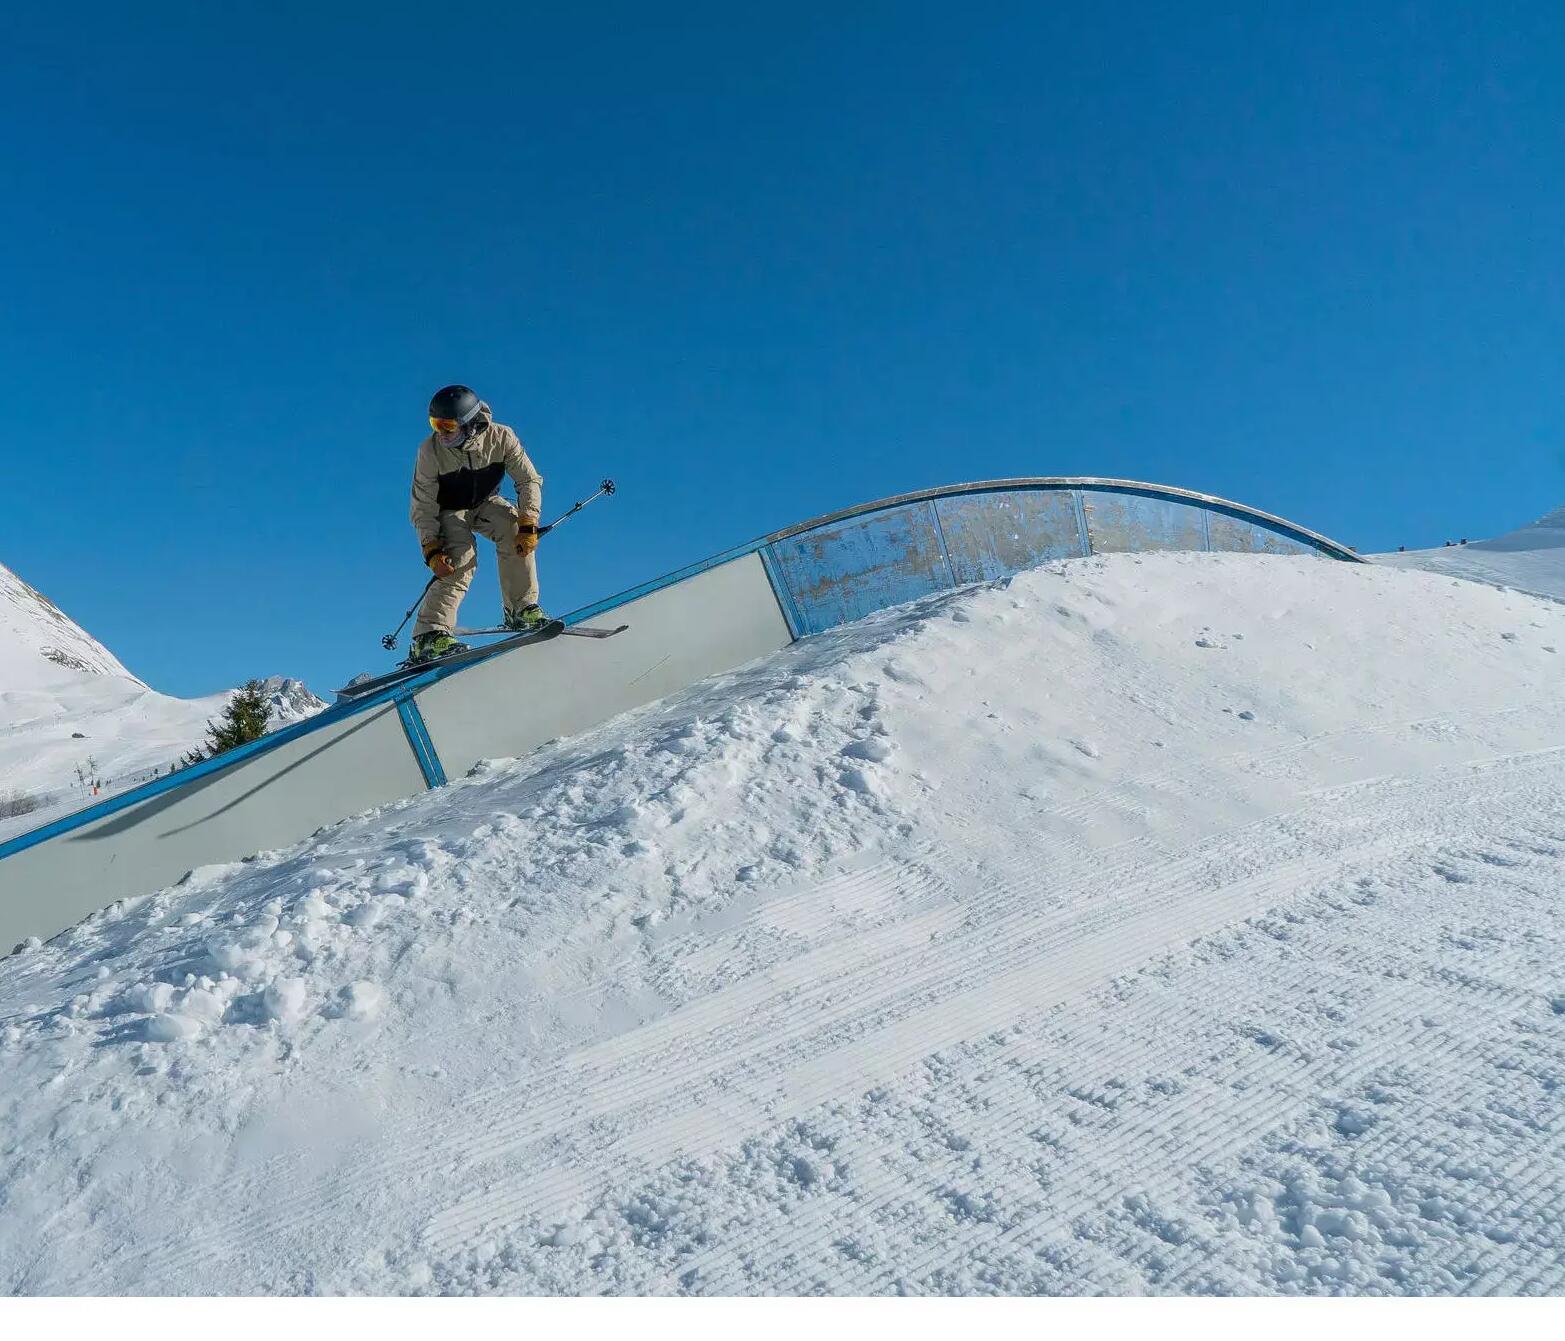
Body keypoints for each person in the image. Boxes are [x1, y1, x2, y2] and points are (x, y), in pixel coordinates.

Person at [408, 384, 550, 662]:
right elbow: (423, 505)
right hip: (449, 510)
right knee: (460, 560)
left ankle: (520, 609)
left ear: (470, 423)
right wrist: (432, 548)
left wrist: (529, 522)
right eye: (435, 424)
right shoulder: (430, 451)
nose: (441, 433)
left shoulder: (501, 437)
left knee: (513, 530)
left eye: (447, 425)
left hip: (485, 502)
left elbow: (528, 480)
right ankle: (428, 635)